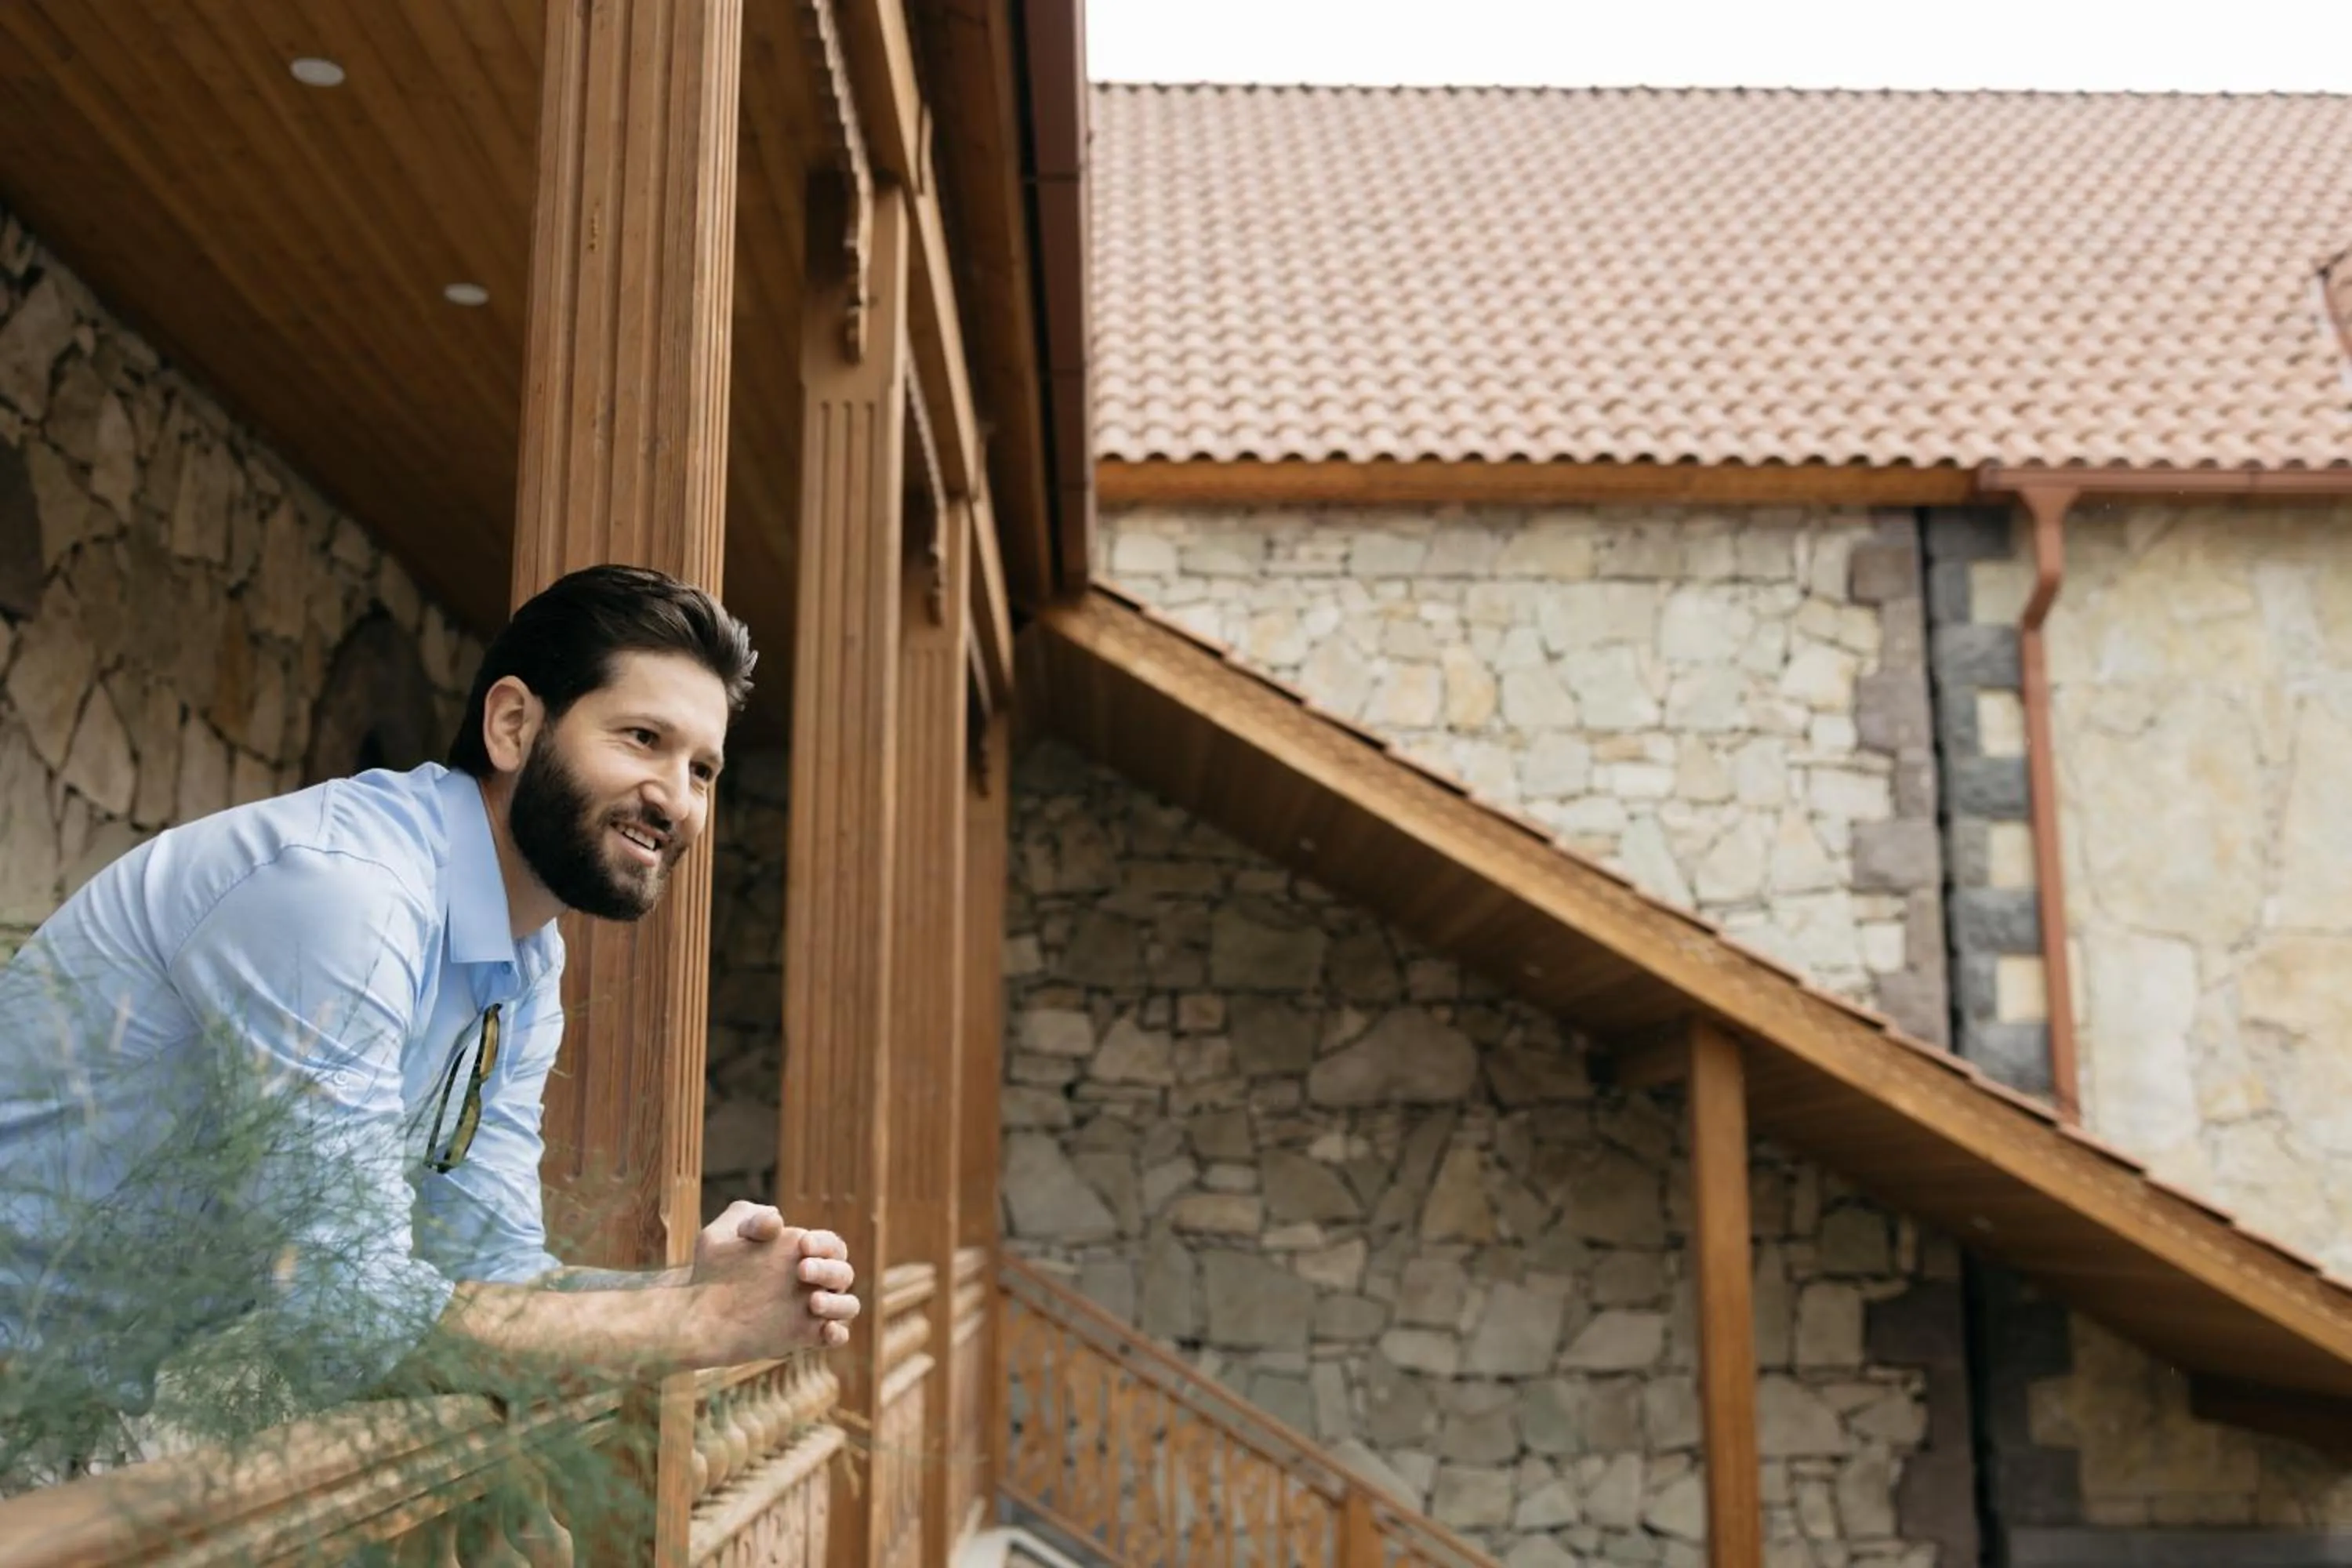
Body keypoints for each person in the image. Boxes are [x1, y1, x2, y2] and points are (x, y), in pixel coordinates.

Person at [0, 564, 856, 1480]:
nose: (677, 798)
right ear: (514, 725)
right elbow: (340, 1320)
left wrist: (696, 1289)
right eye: (643, 737)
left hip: (109, 1438)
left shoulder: (523, 957)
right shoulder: (348, 895)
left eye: (702, 769)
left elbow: (495, 1269)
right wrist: (694, 1324)